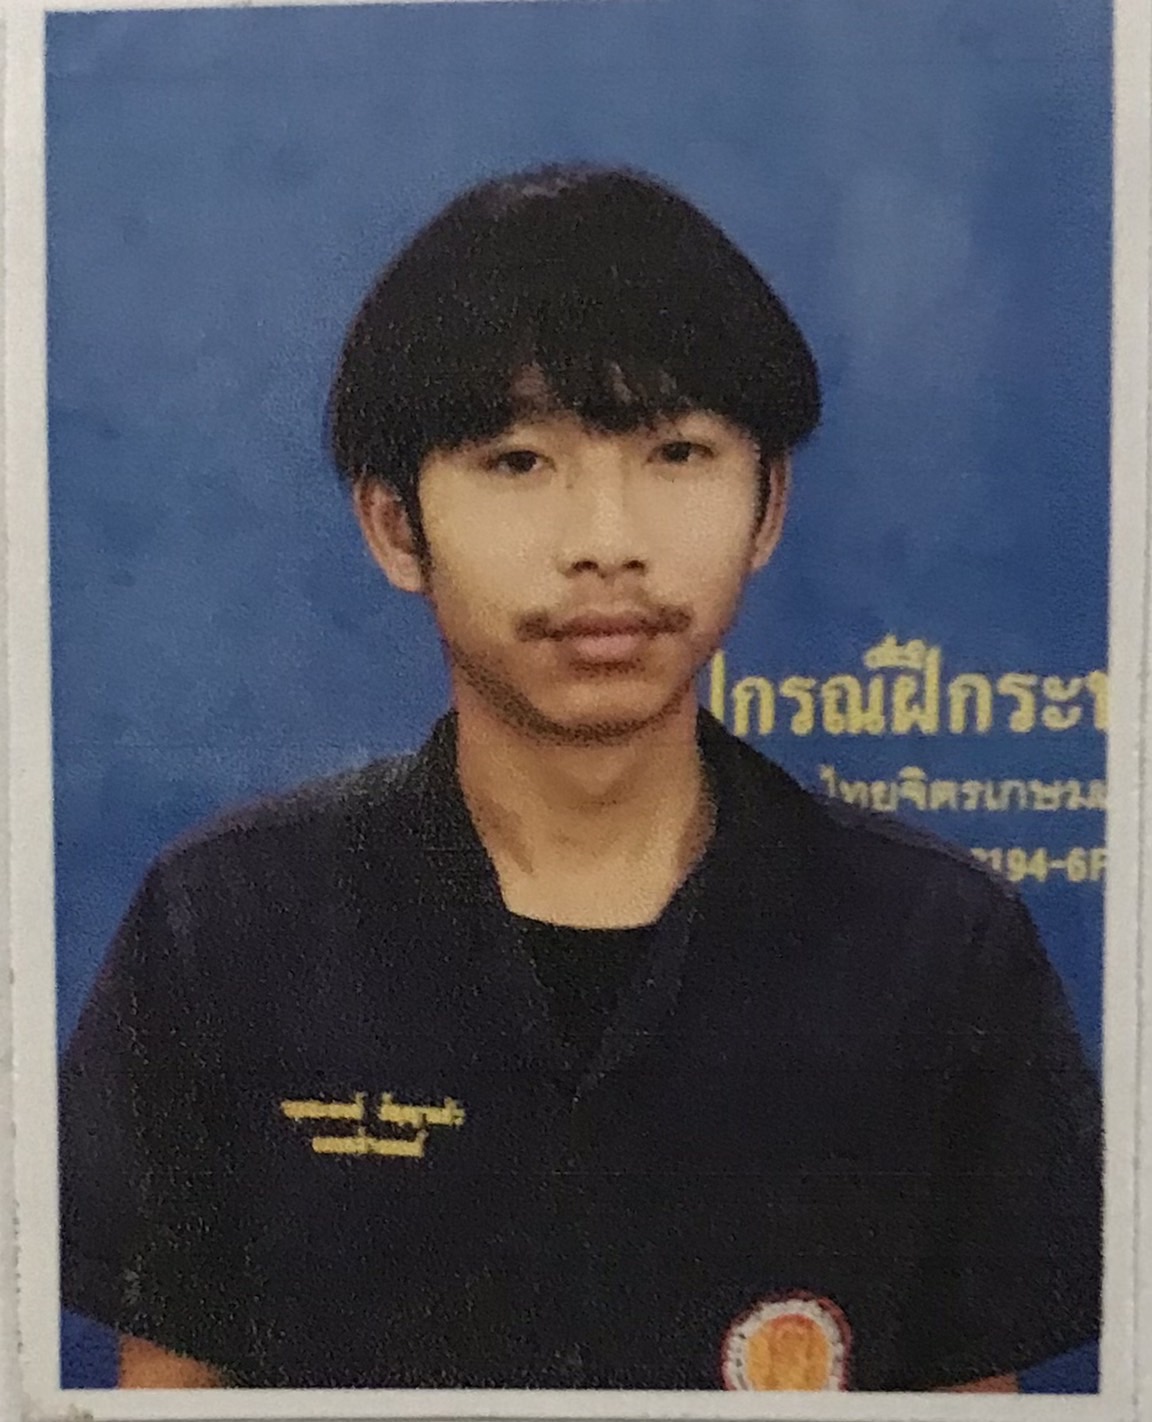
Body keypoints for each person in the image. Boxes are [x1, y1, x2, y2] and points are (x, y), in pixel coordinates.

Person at [59, 164, 1102, 1393]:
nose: (607, 542)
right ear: (395, 526)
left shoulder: (940, 947)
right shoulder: (225, 932)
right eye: (518, 462)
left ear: (768, 507)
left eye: (676, 451)